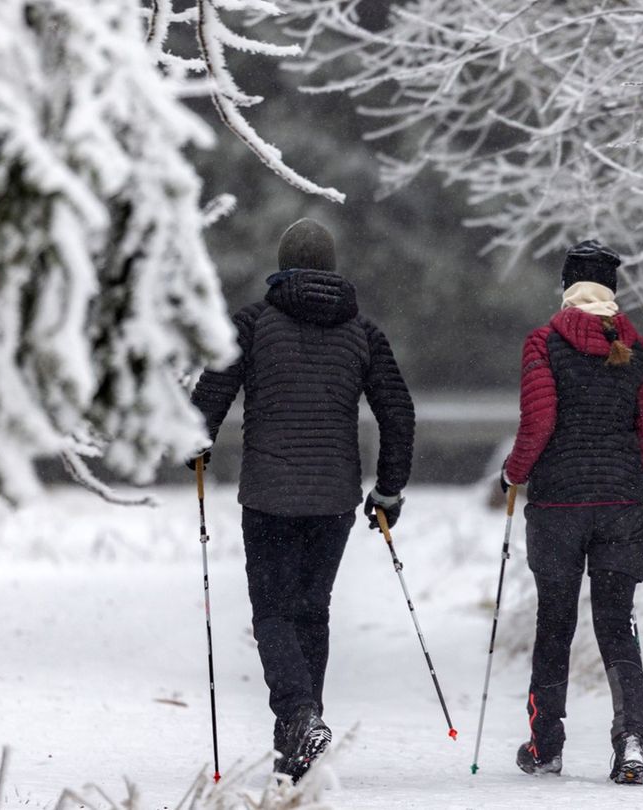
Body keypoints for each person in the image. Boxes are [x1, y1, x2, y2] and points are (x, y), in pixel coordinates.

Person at [188, 218, 415, 782]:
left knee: (272, 612)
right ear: (331, 269)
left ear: (283, 264)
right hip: (333, 496)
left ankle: (298, 717)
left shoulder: (253, 324)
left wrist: (195, 444)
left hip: (268, 492)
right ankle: (298, 739)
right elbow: (398, 413)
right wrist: (389, 489)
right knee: (312, 611)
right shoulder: (362, 331)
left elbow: (211, 390)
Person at [499, 240, 643, 785]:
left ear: (567, 289)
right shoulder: (638, 348)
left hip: (558, 508)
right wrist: (617, 476)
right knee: (618, 624)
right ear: (612, 292)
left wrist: (514, 472)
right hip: (623, 506)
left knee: (555, 624)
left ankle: (546, 746)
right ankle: (633, 742)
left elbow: (538, 425)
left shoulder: (544, 343)